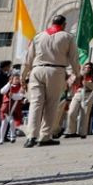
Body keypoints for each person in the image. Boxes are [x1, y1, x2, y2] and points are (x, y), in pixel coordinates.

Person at [21, 15, 82, 148]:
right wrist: (77, 74)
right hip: (55, 71)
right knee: (51, 105)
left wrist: (23, 76)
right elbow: (74, 59)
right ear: (64, 24)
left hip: (37, 71)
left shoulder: (38, 36)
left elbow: (28, 59)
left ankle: (31, 136)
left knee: (35, 104)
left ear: (52, 23)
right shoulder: (68, 37)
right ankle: (45, 136)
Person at [64, 62, 93, 138]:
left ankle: (82, 132)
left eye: (89, 67)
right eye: (86, 67)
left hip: (87, 94)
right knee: (71, 112)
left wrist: (87, 83)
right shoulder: (79, 76)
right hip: (78, 93)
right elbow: (70, 83)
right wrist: (76, 77)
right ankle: (71, 131)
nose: (87, 69)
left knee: (84, 114)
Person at [0, 73, 25, 144]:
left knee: (12, 121)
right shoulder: (8, 86)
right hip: (6, 106)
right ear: (11, 79)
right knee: (4, 123)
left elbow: (20, 96)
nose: (17, 80)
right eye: (16, 79)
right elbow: (2, 91)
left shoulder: (21, 87)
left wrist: (13, 95)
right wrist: (8, 84)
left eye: (18, 79)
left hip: (15, 106)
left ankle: (12, 135)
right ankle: (1, 139)